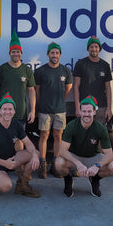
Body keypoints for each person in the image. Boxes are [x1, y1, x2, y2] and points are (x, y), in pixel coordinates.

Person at [54, 96, 113, 198]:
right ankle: (68, 179)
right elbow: (62, 150)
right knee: (58, 163)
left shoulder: (100, 128)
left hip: (92, 157)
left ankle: (95, 180)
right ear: (80, 112)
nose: (86, 114)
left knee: (112, 168)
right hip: (75, 157)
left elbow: (109, 155)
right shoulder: (72, 126)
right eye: (84, 111)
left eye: (89, 111)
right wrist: (78, 163)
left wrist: (97, 166)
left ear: (94, 112)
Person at [0, 93, 41, 197]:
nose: (7, 112)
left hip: (10, 160)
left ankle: (22, 184)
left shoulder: (16, 124)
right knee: (6, 186)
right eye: (4, 109)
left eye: (10, 109)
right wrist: (4, 163)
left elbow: (28, 143)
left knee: (36, 153)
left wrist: (35, 155)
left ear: (14, 111)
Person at [34, 42, 72, 178]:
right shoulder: (40, 71)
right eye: (52, 53)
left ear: (60, 55)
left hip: (60, 110)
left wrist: (60, 100)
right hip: (44, 109)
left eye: (57, 53)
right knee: (43, 135)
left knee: (58, 136)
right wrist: (40, 104)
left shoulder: (65, 71)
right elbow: (37, 91)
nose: (54, 55)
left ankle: (56, 164)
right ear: (48, 54)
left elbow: (68, 89)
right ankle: (43, 165)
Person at [0, 30, 36, 125]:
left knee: (19, 139)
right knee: (2, 139)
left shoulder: (27, 70)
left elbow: (31, 91)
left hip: (21, 113)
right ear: (9, 53)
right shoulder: (2, 69)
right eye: (13, 52)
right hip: (3, 113)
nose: (15, 54)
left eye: (17, 51)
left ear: (21, 53)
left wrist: (32, 111)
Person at [73, 36, 112, 124]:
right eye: (91, 47)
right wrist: (77, 107)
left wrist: (109, 109)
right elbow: (76, 86)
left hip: (101, 107)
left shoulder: (105, 65)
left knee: (99, 134)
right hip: (85, 106)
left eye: (96, 47)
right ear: (88, 49)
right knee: (84, 133)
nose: (94, 49)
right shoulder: (80, 64)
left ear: (99, 49)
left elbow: (108, 88)